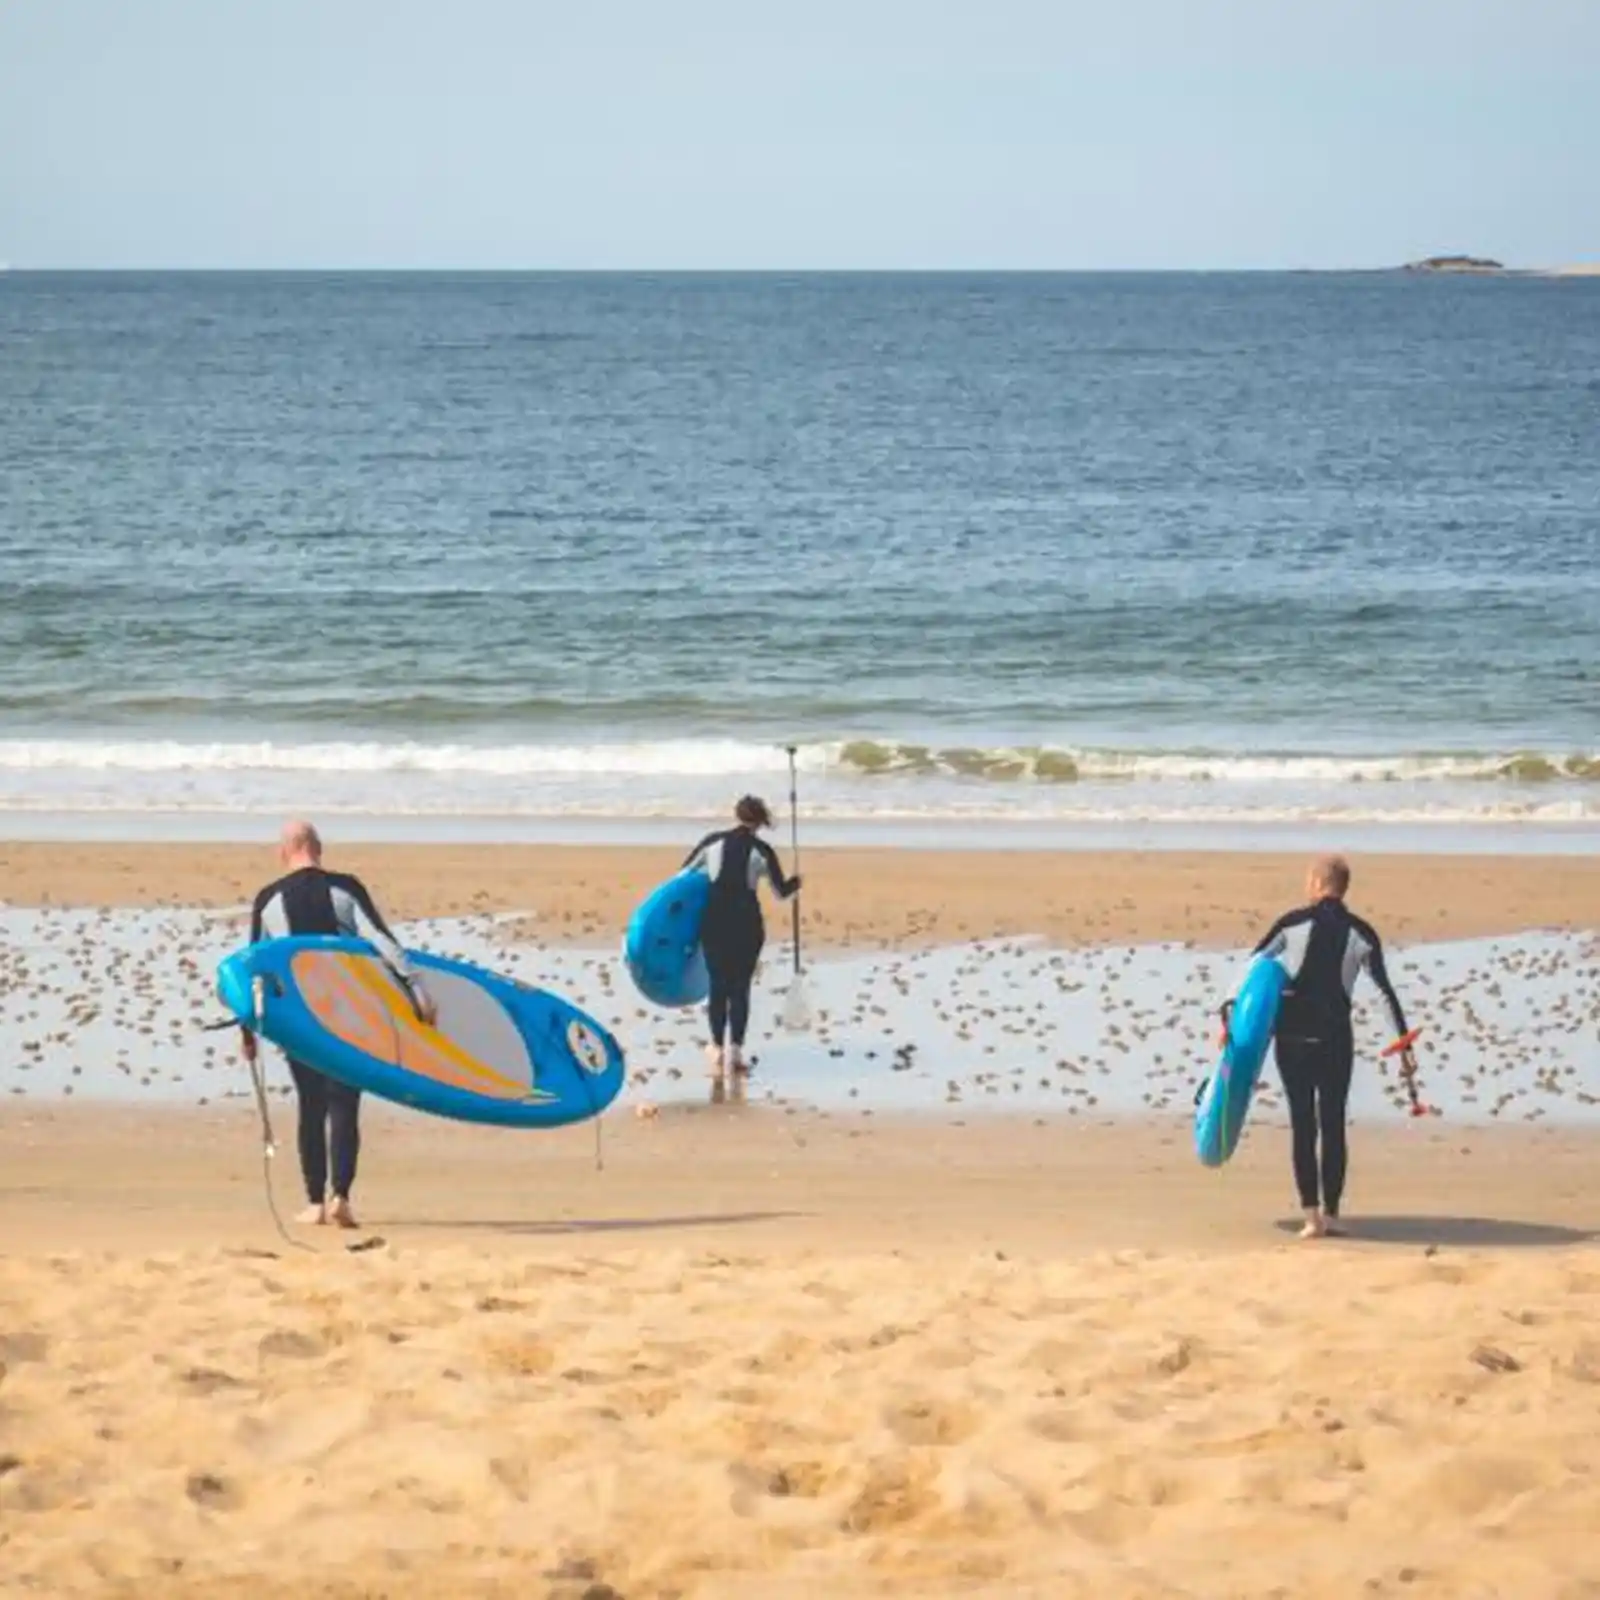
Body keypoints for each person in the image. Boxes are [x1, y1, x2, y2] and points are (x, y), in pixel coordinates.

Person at [243, 820, 435, 1228]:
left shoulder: (269, 900)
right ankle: (341, 1198)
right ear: (319, 848)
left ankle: (314, 1202)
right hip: (350, 1017)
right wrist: (416, 989)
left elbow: (254, 971)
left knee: (310, 1105)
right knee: (344, 1102)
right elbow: (382, 942)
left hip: (300, 1022)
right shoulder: (345, 889)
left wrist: (250, 1031)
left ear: (283, 852)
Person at [1242, 854, 1417, 1239]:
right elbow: (1385, 994)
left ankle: (1311, 1218)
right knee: (1333, 1123)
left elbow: (1253, 969)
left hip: (1292, 1039)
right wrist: (1403, 1046)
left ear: (1317, 884)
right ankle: (1333, 1213)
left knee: (1303, 1125)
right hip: (1335, 1040)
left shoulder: (1291, 924)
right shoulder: (1362, 933)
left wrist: (1231, 1022)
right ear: (1343, 887)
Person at [682, 795, 801, 1087]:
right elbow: (780, 892)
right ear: (760, 821)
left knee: (717, 986)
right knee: (740, 988)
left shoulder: (711, 843)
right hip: (747, 926)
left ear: (736, 815)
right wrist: (798, 882)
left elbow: (682, 877)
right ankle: (735, 1051)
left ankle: (717, 1050)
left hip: (714, 923)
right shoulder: (762, 850)